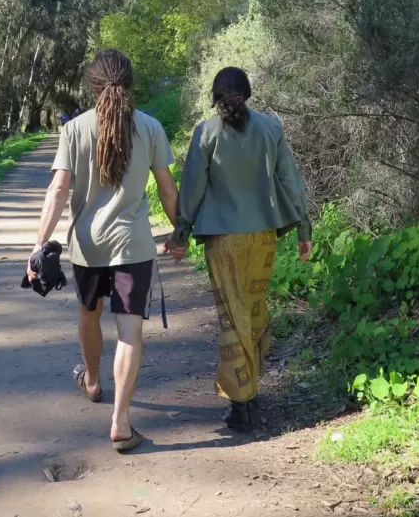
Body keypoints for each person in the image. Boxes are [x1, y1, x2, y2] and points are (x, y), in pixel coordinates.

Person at [29, 49, 179, 452]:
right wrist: (180, 231)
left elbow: (58, 189)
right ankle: (121, 422)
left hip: (87, 246)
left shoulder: (75, 128)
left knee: (88, 314)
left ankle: (93, 382)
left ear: (92, 85)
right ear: (130, 83)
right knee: (129, 331)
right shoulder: (149, 127)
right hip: (133, 244)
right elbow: (167, 189)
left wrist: (39, 243)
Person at [166, 67, 312, 433]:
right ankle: (251, 389)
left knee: (232, 315)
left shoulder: (206, 133)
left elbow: (193, 187)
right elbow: (290, 180)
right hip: (263, 236)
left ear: (215, 97)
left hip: (223, 239)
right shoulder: (271, 128)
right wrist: (303, 227)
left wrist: (181, 233)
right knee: (255, 309)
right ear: (247, 93)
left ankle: (241, 403)